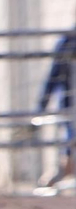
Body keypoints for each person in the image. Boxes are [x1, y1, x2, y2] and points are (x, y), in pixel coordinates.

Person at [33, 16, 74, 194]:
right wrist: (42, 106)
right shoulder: (67, 42)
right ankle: (53, 179)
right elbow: (53, 77)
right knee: (71, 145)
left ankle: (54, 178)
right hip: (71, 108)